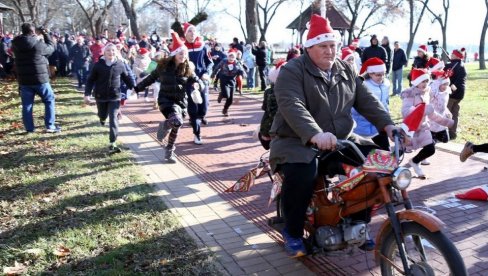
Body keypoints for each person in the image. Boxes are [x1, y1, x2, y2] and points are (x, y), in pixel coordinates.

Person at [269, 14, 397, 257]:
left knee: (378, 161)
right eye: (323, 46)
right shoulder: (292, 71)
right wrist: (315, 134)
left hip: (340, 138)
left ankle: (358, 222)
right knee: (303, 173)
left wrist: (388, 126)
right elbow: (292, 104)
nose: (330, 51)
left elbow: (366, 100)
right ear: (309, 47)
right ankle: (293, 231)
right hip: (296, 140)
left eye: (333, 45)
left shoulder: (345, 69)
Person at [135, 32, 202, 163]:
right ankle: (164, 126)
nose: (183, 56)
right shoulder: (163, 66)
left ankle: (169, 151)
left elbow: (196, 80)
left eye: (185, 54)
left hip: (181, 101)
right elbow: (150, 78)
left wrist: (196, 84)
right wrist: (136, 89)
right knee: (176, 121)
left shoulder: (188, 67)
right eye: (180, 53)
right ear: (174, 54)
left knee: (177, 125)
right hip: (166, 100)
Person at [400, 68, 454, 178]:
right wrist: (420, 110)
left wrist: (447, 122)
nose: (425, 84)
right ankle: (388, 170)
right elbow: (405, 112)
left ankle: (414, 162)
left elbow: (431, 113)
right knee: (399, 152)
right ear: (416, 82)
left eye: (426, 81)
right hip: (410, 129)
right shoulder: (410, 95)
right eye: (422, 81)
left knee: (430, 149)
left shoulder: (426, 93)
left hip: (423, 128)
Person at [84, 43, 136, 153]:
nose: (111, 53)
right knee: (102, 115)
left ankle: (113, 142)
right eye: (108, 50)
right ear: (104, 52)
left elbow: (126, 78)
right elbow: (90, 80)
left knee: (113, 119)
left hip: (115, 96)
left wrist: (135, 88)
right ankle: (102, 118)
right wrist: (87, 94)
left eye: (113, 50)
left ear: (116, 52)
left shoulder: (120, 64)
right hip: (100, 96)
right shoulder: (98, 65)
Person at [11, 23, 60, 133]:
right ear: (33, 32)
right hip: (40, 78)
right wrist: (45, 34)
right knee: (49, 100)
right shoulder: (37, 44)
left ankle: (29, 128)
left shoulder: (15, 43)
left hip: (24, 80)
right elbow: (51, 48)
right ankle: (50, 126)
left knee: (27, 105)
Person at [183, 22, 213, 144]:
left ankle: (197, 119)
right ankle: (197, 134)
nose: (192, 33)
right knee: (193, 107)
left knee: (204, 108)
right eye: (189, 31)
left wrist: (207, 73)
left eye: (194, 31)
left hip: (202, 80)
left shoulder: (203, 46)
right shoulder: (182, 48)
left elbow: (210, 62)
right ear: (185, 34)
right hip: (189, 81)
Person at [352, 58, 391, 151]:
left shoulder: (386, 84)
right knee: (362, 152)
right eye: (378, 75)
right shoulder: (363, 85)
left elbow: (385, 102)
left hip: (379, 124)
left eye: (383, 74)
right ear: (370, 73)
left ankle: (387, 163)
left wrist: (386, 115)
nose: (381, 77)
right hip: (361, 124)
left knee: (385, 150)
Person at [211, 49, 245, 116]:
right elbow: (217, 68)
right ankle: (222, 94)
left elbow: (242, 70)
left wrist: (243, 74)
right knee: (226, 95)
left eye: (233, 57)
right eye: (230, 56)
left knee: (230, 99)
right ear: (228, 56)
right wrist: (213, 74)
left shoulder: (237, 63)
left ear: (235, 58)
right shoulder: (224, 61)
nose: (231, 58)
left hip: (232, 80)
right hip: (224, 78)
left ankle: (225, 109)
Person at [445, 48, 467, 140]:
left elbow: (444, 73)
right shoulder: (462, 65)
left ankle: (445, 132)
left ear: (456, 56)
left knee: (447, 112)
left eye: (452, 54)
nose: (451, 54)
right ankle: (453, 132)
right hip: (460, 93)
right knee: (455, 112)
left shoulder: (451, 65)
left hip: (452, 93)